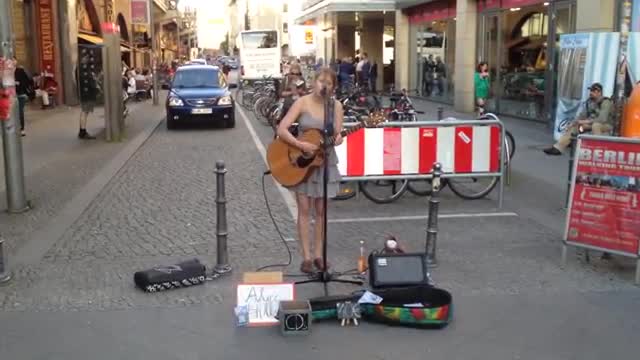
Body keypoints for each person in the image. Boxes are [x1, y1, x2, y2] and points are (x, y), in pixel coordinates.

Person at [276, 67, 344, 273]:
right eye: (321, 81)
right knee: (304, 210)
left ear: (333, 87)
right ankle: (306, 257)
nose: (323, 85)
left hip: (325, 160)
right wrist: (300, 145)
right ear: (314, 82)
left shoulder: (336, 107)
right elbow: (282, 128)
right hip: (303, 161)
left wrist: (338, 139)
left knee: (321, 211)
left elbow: (338, 134)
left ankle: (319, 255)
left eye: (328, 83)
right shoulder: (302, 102)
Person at [543, 83, 613, 155]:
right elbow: (582, 115)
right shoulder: (589, 102)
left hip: (605, 126)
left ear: (599, 92)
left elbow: (602, 119)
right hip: (589, 125)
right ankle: (558, 148)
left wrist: (585, 122)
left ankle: (598, 150)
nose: (591, 93)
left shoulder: (605, 102)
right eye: (591, 91)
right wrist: (573, 123)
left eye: (593, 91)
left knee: (596, 125)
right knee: (576, 127)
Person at [77, 52, 98, 139]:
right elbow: (89, 81)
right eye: (86, 57)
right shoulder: (83, 69)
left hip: (85, 93)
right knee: (85, 111)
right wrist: (95, 87)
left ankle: (82, 131)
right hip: (86, 93)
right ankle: (82, 131)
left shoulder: (82, 68)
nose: (88, 59)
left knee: (85, 112)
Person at [14, 59, 33, 137]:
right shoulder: (5, 71)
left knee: (19, 111)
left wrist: (18, 83)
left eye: (14, 60)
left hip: (20, 94)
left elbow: (28, 81)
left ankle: (22, 129)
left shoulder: (20, 71)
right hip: (9, 95)